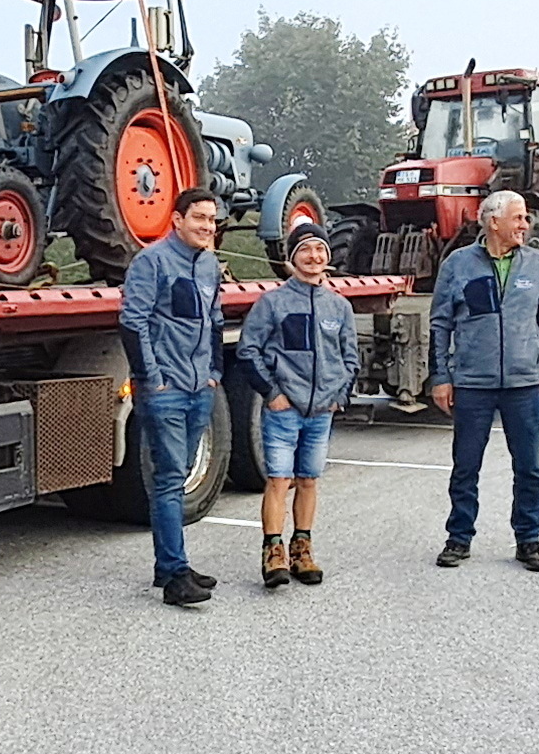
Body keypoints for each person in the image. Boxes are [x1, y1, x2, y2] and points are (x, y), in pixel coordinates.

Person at [429, 190, 539, 570]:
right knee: (465, 466)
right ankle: (459, 538)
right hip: (473, 383)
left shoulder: (535, 262)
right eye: (519, 218)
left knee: (529, 468)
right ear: (493, 221)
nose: (526, 225)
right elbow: (440, 323)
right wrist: (440, 376)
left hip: (524, 384)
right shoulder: (458, 264)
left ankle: (529, 540)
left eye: (525, 218)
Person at [236, 222, 361, 587]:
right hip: (284, 410)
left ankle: (302, 550)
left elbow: (350, 358)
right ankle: (273, 552)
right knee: (279, 479)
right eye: (305, 250)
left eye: (320, 249)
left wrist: (339, 396)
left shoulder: (338, 306)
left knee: (308, 480)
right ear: (291, 259)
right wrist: (272, 393)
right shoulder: (272, 303)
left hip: (321, 412)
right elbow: (248, 350)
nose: (313, 256)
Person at [119, 188, 227, 607]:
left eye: (212, 219)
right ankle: (174, 576)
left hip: (200, 388)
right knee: (167, 479)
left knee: (179, 474)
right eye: (199, 218)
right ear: (177, 219)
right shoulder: (152, 262)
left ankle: (170, 565)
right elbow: (133, 322)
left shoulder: (209, 264)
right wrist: (153, 378)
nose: (207, 226)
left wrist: (215, 373)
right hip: (165, 390)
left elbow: (215, 320)